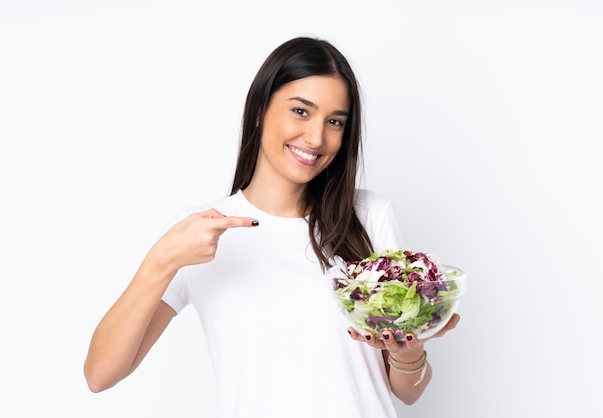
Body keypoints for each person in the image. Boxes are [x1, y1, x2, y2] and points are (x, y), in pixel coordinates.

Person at [83, 36, 460, 417]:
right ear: (261, 108)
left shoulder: (369, 217)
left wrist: (408, 354)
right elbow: (100, 375)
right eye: (301, 111)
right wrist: (162, 261)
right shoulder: (201, 231)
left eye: (334, 122)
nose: (315, 138)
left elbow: (406, 393)